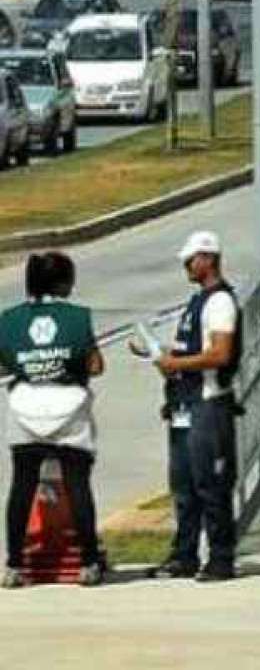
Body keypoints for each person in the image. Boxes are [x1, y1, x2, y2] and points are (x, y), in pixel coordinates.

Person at [141, 232, 241, 582]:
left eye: (191, 260)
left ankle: (221, 557)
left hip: (208, 404)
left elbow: (220, 353)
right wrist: (164, 354)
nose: (187, 265)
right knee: (183, 484)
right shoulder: (197, 301)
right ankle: (183, 555)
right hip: (184, 404)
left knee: (211, 483)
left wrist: (177, 366)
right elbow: (194, 348)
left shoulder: (220, 303)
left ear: (209, 259)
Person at [1, 252, 106, 588]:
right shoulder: (77, 317)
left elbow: (4, 366)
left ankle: (14, 564)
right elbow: (95, 366)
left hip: (25, 407)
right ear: (62, 282)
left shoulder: (9, 319)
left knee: (22, 485)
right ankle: (89, 562)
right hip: (68, 407)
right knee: (77, 484)